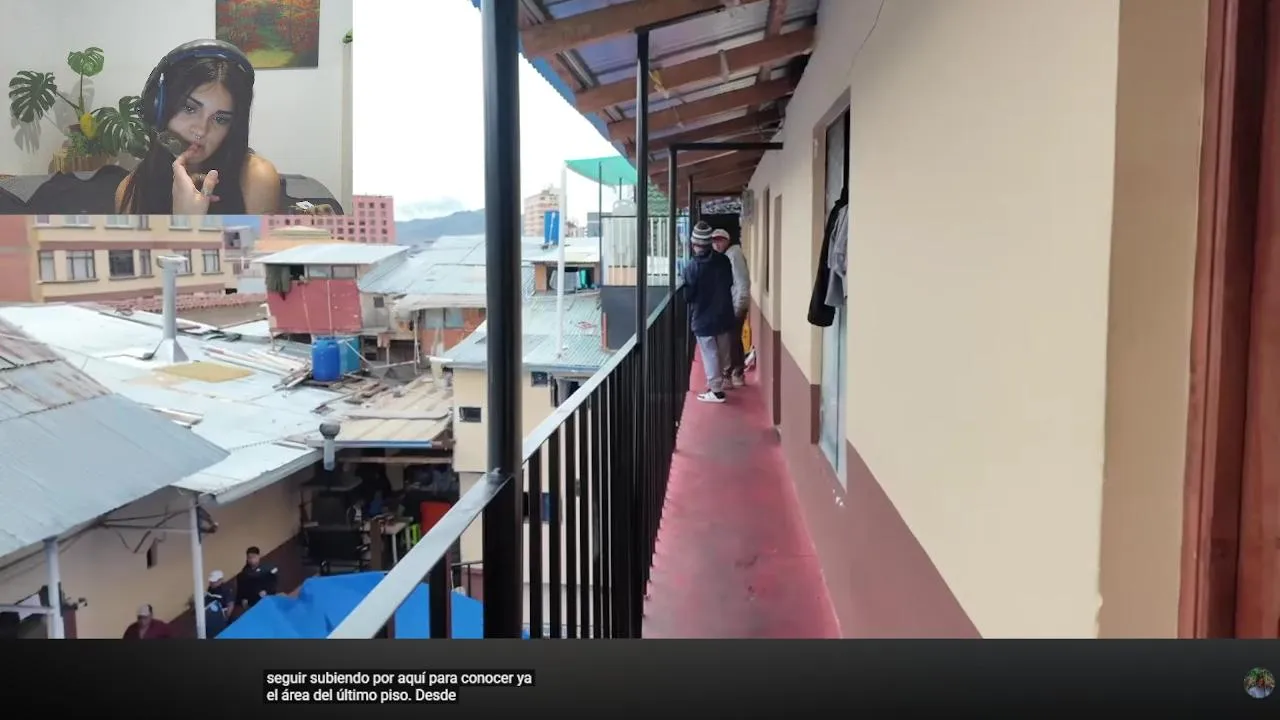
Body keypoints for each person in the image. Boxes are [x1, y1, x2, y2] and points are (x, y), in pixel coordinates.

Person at [116, 39, 281, 215]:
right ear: (159, 108)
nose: (202, 130)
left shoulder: (257, 180)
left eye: (220, 119)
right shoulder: (131, 192)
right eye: (189, 108)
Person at [681, 221, 736, 404]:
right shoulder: (724, 261)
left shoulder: (692, 267)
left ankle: (716, 390)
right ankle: (722, 378)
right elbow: (730, 283)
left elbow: (688, 296)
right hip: (724, 314)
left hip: (703, 317)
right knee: (722, 352)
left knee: (710, 353)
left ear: (694, 244)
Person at [711, 228, 751, 387]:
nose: (717, 244)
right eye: (714, 241)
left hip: (736, 304)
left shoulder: (734, 255)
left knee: (731, 340)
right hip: (732, 304)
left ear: (727, 240)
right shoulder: (727, 256)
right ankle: (735, 372)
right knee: (733, 339)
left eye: (720, 240)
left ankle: (735, 373)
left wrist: (740, 305)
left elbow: (742, 281)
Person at [234, 546, 279, 610]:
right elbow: (242, 590)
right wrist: (243, 599)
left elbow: (273, 583)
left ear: (258, 556)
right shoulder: (244, 574)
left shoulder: (266, 569)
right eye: (249, 557)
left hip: (267, 599)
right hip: (253, 603)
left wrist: (267, 591)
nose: (252, 560)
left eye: (254, 557)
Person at [203, 570, 235, 638]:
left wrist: (226, 617)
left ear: (220, 580)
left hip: (222, 616)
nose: (211, 583)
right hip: (212, 615)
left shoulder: (226, 590)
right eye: (210, 581)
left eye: (214, 581)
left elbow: (230, 605)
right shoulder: (210, 588)